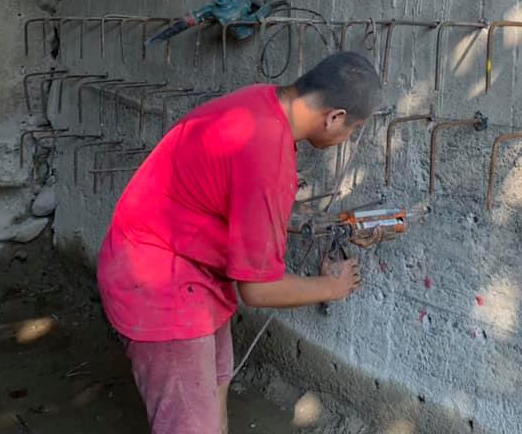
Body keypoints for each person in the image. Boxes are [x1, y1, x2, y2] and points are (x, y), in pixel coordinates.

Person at [97, 51, 382, 434]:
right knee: (190, 423)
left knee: (214, 390)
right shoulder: (266, 157)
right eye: (353, 128)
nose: (348, 137)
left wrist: (317, 224)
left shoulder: (263, 102)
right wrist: (333, 286)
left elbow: (243, 202)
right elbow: (258, 290)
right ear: (334, 117)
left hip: (181, 263)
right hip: (158, 282)